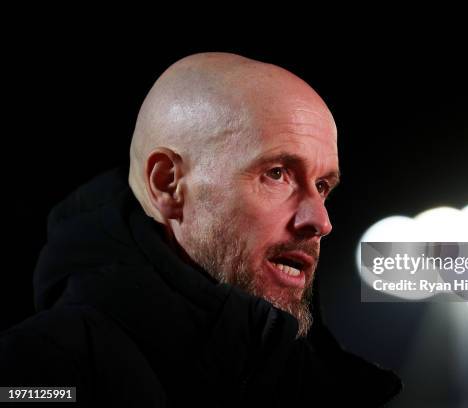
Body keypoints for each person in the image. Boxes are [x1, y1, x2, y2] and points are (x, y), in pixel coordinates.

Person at [0, 53, 401, 406]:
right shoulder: (40, 371)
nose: (320, 221)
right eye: (277, 174)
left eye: (322, 186)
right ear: (168, 184)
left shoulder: (325, 384)